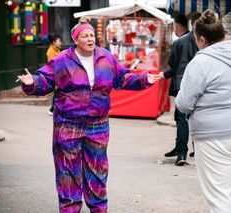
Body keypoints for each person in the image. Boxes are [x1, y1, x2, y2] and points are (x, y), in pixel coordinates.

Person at [17, 17, 160, 213]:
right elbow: (46, 81)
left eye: (92, 35)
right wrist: (31, 81)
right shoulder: (61, 60)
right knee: (67, 172)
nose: (90, 38)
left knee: (97, 172)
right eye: (85, 36)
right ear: (76, 39)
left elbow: (123, 78)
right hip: (68, 125)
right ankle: (69, 209)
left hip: (98, 125)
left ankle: (99, 209)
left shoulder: (106, 58)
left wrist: (144, 78)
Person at [175, 9, 231, 212]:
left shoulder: (201, 61)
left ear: (202, 40)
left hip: (215, 134)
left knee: (220, 199)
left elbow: (184, 102)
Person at [159, 12, 201, 166]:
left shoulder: (180, 42)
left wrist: (163, 75)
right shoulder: (205, 43)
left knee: (182, 119)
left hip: (181, 84)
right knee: (195, 116)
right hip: (199, 84)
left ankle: (181, 152)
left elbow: (173, 65)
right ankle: (192, 149)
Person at [46, 34, 62, 115]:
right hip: (54, 75)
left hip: (59, 74)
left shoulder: (57, 50)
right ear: (54, 42)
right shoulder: (50, 52)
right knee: (57, 91)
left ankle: (53, 108)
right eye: (59, 41)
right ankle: (52, 109)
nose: (60, 43)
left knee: (58, 92)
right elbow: (51, 65)